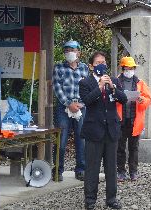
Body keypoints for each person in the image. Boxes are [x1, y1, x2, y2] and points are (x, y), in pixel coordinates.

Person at [79, 51, 127, 210]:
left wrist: (112, 88)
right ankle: (90, 200)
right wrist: (99, 87)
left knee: (111, 167)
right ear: (91, 66)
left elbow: (124, 99)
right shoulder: (85, 82)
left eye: (104, 62)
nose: (102, 65)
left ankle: (111, 199)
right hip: (94, 130)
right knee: (92, 167)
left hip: (111, 130)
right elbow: (87, 100)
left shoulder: (113, 80)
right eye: (98, 62)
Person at [52, 40, 89, 181]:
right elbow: (57, 88)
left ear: (79, 52)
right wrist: (69, 104)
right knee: (61, 139)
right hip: (63, 108)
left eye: (72, 50)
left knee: (81, 139)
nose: (70, 52)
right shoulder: (59, 67)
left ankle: (81, 169)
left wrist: (81, 103)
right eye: (67, 50)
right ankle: (58, 170)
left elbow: (88, 87)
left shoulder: (84, 68)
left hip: (81, 108)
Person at [116, 56, 151, 182]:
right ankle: (120, 171)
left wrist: (142, 100)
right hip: (120, 120)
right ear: (123, 68)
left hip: (134, 120)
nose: (129, 70)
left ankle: (133, 172)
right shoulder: (116, 82)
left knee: (134, 147)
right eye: (127, 68)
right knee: (119, 147)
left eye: (132, 68)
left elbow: (148, 99)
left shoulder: (140, 83)